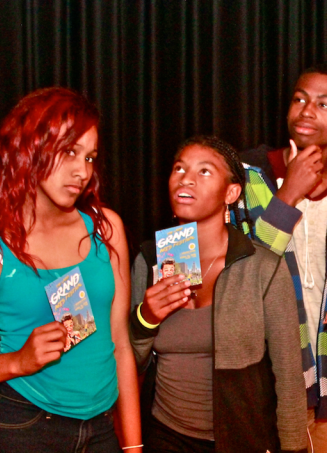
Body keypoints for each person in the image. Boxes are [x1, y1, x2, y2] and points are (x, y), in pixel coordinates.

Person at [129, 135, 306, 453]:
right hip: (165, 436)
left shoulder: (262, 267)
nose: (186, 179)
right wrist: (147, 317)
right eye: (179, 169)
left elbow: (289, 375)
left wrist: (293, 448)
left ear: (231, 192)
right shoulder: (148, 259)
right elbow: (131, 363)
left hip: (240, 438)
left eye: (204, 171)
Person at [0, 87, 141, 452]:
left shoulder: (106, 229)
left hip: (102, 427)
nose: (82, 171)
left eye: (90, 158)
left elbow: (120, 344)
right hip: (25, 425)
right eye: (69, 151)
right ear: (29, 146)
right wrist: (16, 362)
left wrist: (133, 447)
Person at [241, 60, 327, 452]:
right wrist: (288, 195)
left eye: (324, 104)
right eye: (300, 99)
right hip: (267, 384)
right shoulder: (246, 177)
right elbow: (244, 275)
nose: (307, 110)